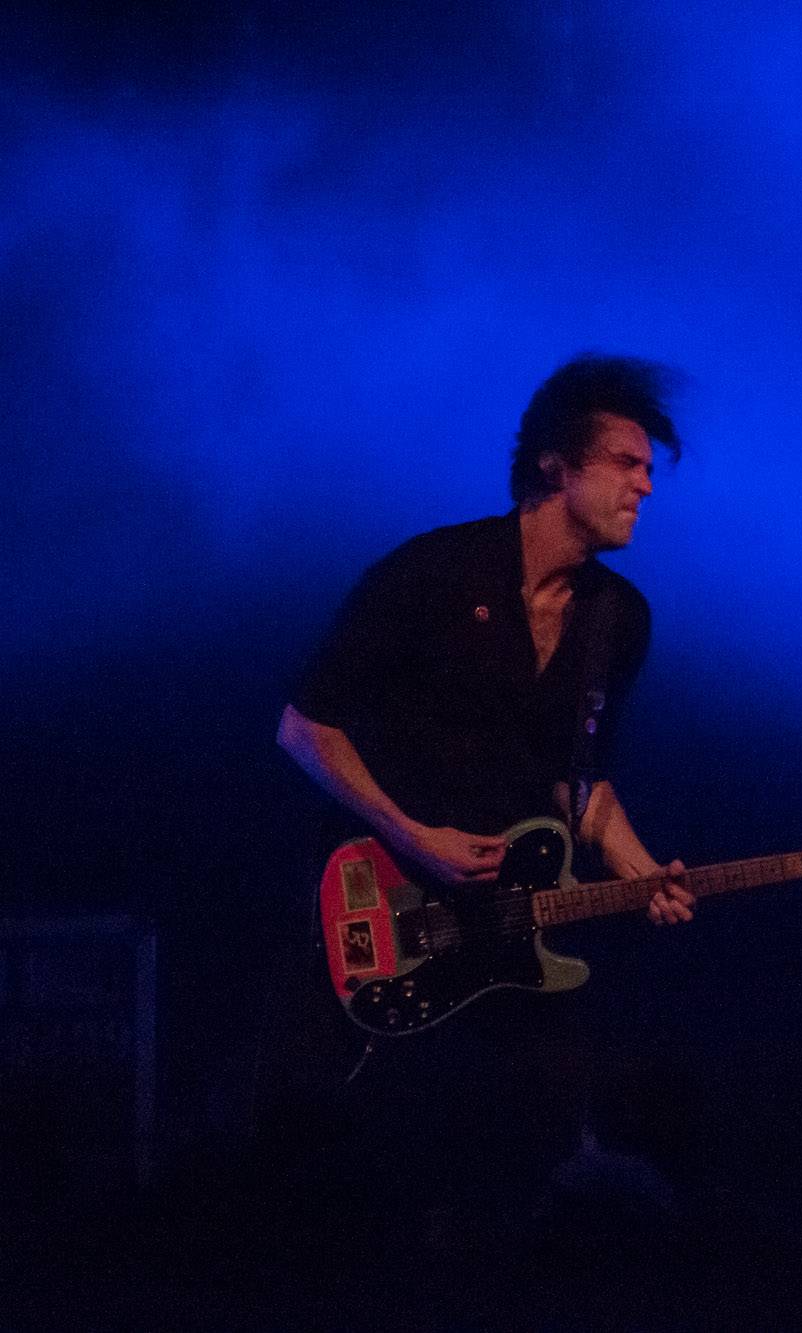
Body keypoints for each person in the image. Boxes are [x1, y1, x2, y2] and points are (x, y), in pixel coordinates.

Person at [271, 353, 698, 1248]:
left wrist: (641, 868)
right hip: (389, 912)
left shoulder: (619, 619)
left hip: (512, 935)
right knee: (331, 1163)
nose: (645, 486)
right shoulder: (430, 573)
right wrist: (412, 834)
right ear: (555, 464)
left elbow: (577, 784)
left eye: (650, 469)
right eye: (627, 462)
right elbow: (306, 728)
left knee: (535, 1165)